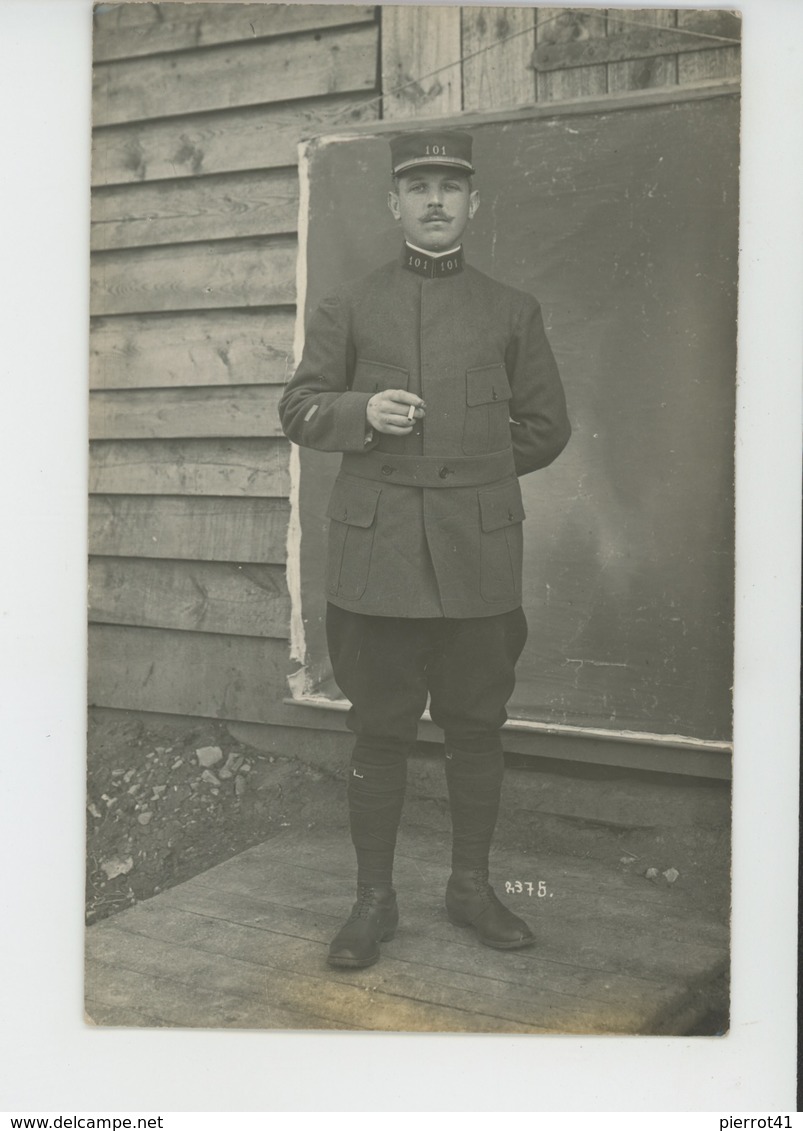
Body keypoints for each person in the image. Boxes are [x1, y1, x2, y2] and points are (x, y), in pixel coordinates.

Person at [279, 128, 571, 969]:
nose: (435, 200)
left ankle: (470, 887)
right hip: (377, 562)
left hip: (478, 557)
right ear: (394, 204)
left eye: (451, 186)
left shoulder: (511, 309)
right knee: (379, 732)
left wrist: (465, 471)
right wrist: (361, 416)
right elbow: (297, 408)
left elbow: (547, 428)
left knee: (476, 726)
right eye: (419, 187)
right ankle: (374, 901)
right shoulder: (349, 304)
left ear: (472, 203)